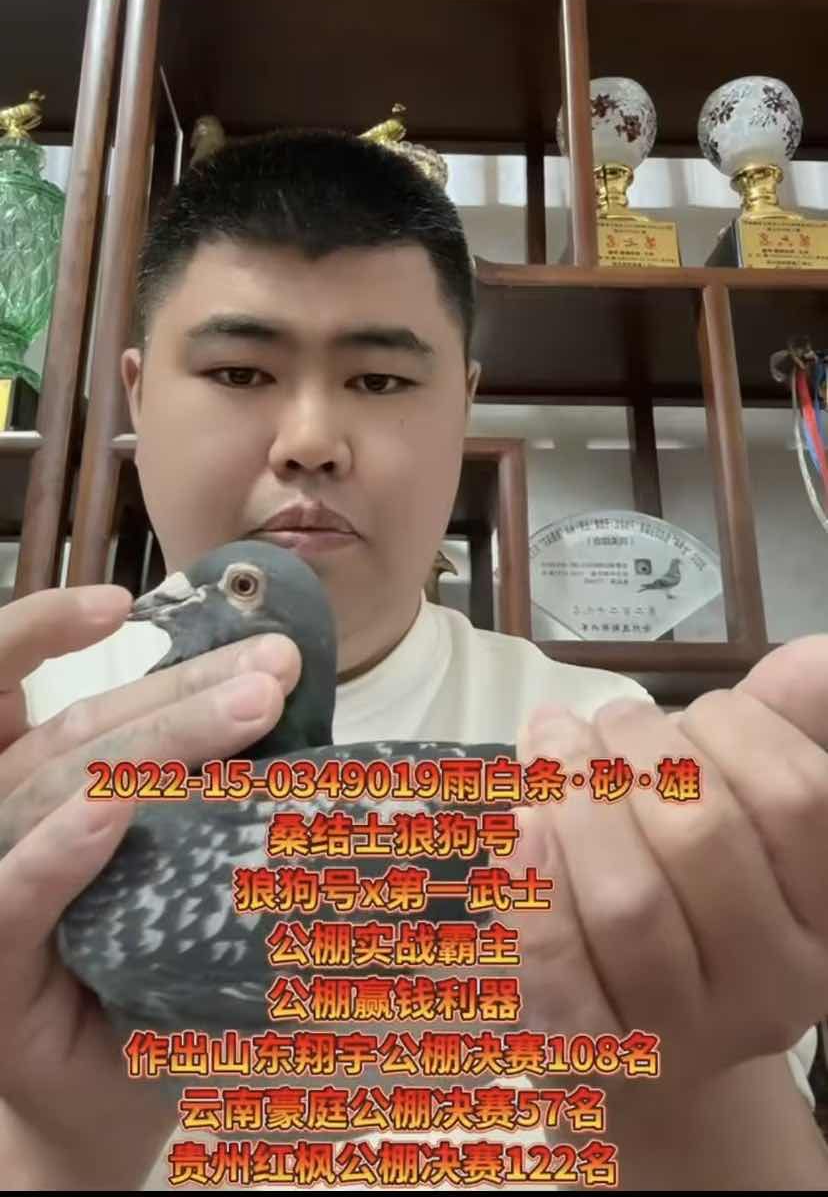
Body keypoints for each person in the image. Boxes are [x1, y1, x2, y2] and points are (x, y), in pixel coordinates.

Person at [1, 128, 827, 1191]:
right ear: (138, 393)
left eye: (382, 379)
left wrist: (688, 1080)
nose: (310, 439)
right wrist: (56, 1143)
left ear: (463, 403)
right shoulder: (22, 751)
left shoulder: (607, 755)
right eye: (239, 370)